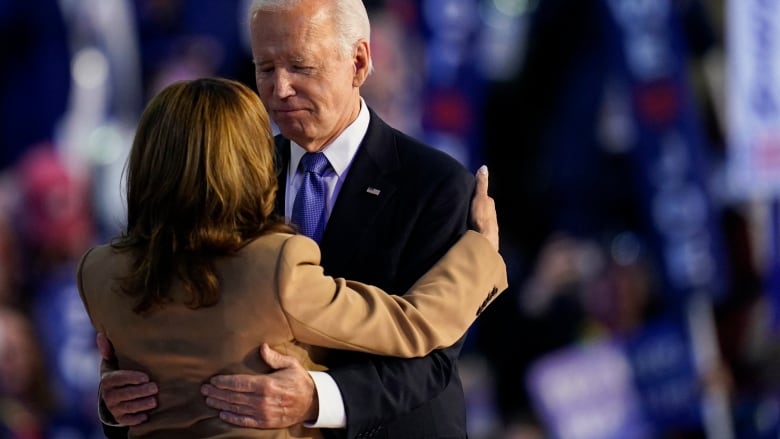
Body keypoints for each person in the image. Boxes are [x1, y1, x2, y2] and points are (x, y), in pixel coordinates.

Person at [100, 1, 485, 437]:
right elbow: (182, 314)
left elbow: (432, 359)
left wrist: (316, 398)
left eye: (300, 67)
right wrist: (123, 396)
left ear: (358, 62)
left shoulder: (435, 184)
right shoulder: (229, 175)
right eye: (265, 68)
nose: (279, 89)